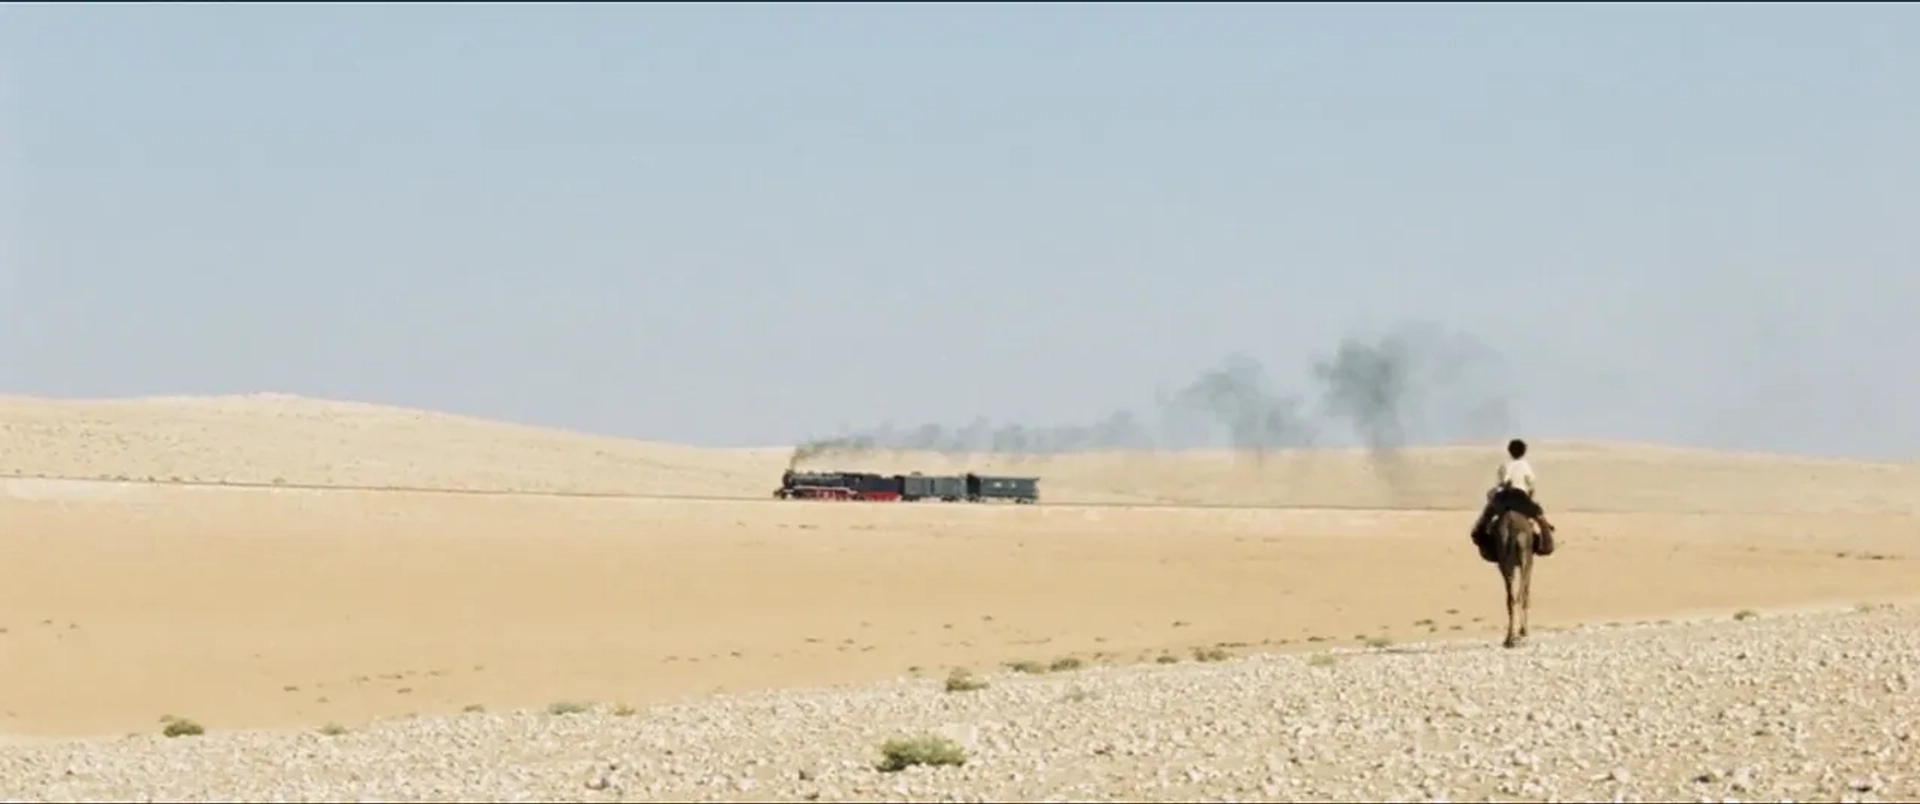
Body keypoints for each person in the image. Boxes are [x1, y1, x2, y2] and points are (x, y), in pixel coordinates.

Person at [1475, 438, 1556, 541]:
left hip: (1505, 497)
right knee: (1539, 516)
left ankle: (1479, 530)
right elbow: (1531, 486)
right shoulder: (1525, 465)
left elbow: (1500, 484)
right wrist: (1530, 500)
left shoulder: (1504, 465)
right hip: (1521, 497)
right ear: (1524, 452)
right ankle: (1546, 536)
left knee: (1488, 512)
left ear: (1509, 451)